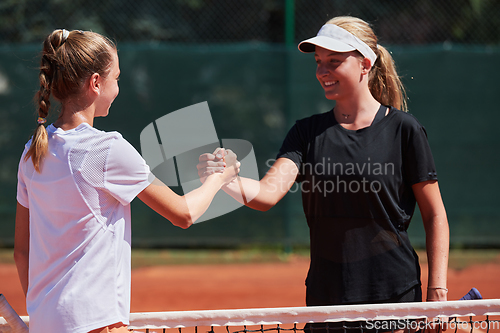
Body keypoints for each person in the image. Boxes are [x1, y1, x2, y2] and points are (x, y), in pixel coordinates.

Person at [199, 15, 449, 316]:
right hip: (327, 298)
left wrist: (438, 291)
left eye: (334, 61)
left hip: (394, 296)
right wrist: (225, 178)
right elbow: (267, 194)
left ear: (365, 64)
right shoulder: (306, 133)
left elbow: (434, 214)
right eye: (318, 61)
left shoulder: (404, 130)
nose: (322, 71)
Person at [14, 29, 239, 333]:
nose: (118, 87)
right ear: (96, 83)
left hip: (45, 323)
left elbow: (22, 252)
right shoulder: (106, 149)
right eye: (116, 78)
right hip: (97, 323)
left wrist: (43, 311)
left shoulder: (31, 152)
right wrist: (218, 178)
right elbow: (183, 213)